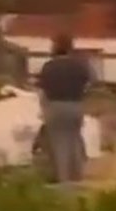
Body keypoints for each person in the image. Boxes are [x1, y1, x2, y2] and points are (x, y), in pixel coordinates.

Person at [36, 33, 93, 185]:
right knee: (75, 139)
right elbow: (89, 85)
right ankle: (77, 177)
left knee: (59, 143)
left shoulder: (49, 67)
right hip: (75, 106)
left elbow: (42, 91)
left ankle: (64, 179)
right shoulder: (80, 66)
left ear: (55, 47)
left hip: (55, 106)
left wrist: (43, 110)